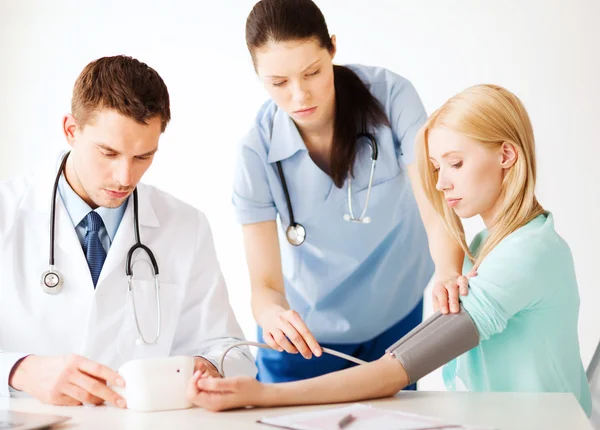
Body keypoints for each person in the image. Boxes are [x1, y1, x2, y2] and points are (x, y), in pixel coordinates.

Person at [187, 84, 592, 417]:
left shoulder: (525, 254)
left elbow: (395, 371)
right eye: (435, 168)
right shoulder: (490, 246)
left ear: (506, 155)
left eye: (455, 163)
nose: (441, 183)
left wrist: (260, 394)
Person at [232, 0, 468, 385]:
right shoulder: (255, 153)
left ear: (333, 49)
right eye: (278, 83)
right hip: (304, 338)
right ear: (257, 73)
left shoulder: (391, 97)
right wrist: (272, 315)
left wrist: (447, 271)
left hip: (395, 316)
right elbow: (266, 287)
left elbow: (436, 202)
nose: (300, 96)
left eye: (312, 72)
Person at [0, 55, 256, 408]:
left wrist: (210, 366)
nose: (125, 178)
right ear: (71, 130)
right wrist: (17, 370)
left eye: (143, 157)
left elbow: (231, 349)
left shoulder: (186, 226)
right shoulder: (6, 212)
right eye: (108, 153)